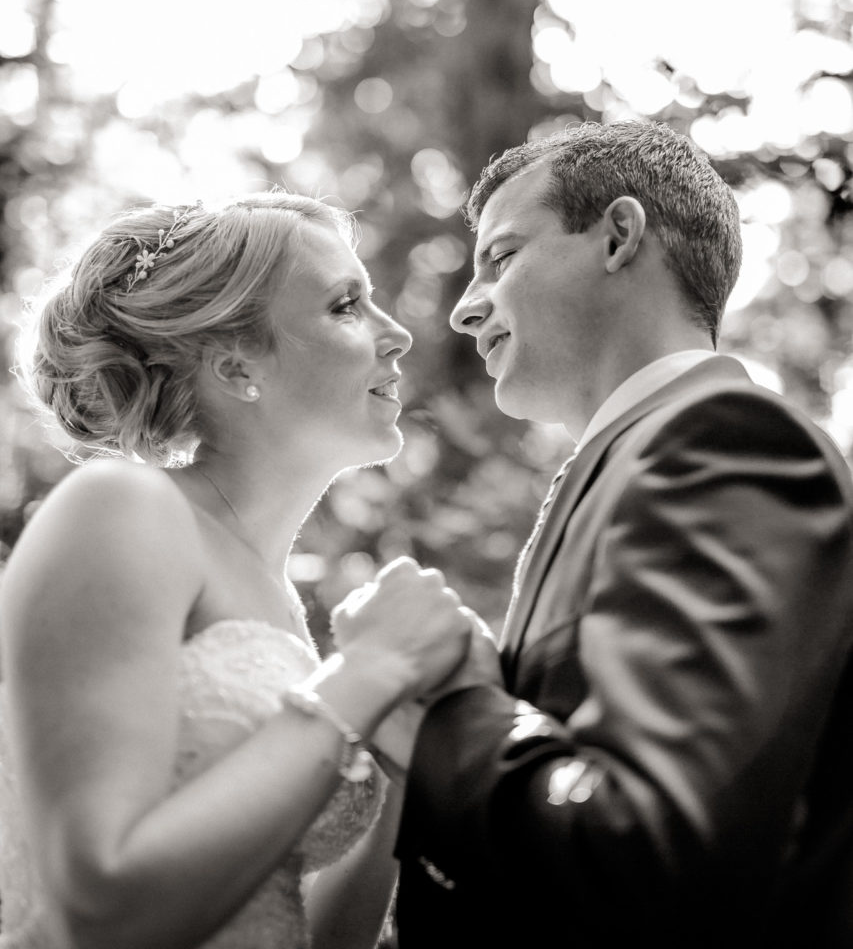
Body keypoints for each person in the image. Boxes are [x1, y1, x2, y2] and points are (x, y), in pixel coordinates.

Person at [337, 120, 853, 949]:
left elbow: (655, 853)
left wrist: (453, 708)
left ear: (617, 236)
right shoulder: (634, 461)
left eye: (499, 258)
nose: (467, 310)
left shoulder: (723, 443)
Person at [2, 189, 475, 949]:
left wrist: (402, 771)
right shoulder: (120, 507)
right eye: (346, 306)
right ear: (235, 366)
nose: (397, 337)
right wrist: (370, 672)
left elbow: (300, 930)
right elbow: (97, 914)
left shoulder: (285, 605)